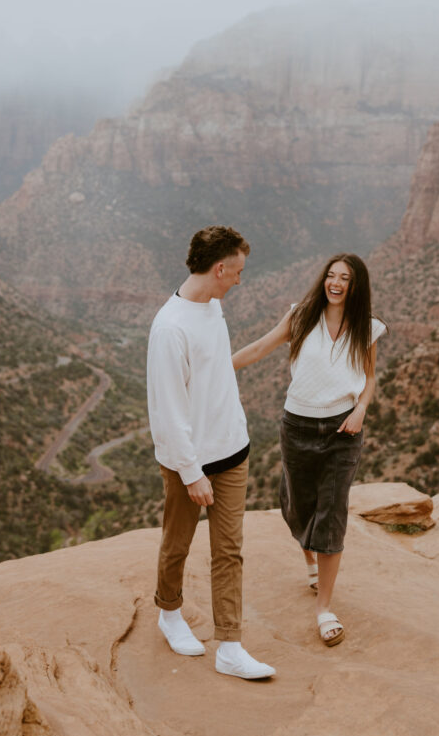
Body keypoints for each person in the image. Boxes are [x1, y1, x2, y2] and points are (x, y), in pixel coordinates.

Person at [232, 253, 386, 647]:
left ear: (356, 286)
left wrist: (361, 409)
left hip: (343, 431)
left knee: (331, 511)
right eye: (331, 276)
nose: (336, 283)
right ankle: (309, 557)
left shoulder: (365, 328)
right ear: (323, 280)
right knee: (297, 505)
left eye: (345, 279)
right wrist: (215, 366)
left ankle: (324, 608)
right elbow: (261, 347)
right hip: (296, 426)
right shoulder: (301, 316)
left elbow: (369, 377)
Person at [147, 225, 276, 680]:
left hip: (232, 451)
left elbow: (218, 371)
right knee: (177, 543)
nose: (240, 280)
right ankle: (169, 613)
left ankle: (230, 646)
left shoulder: (213, 306)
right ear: (219, 268)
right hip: (191, 463)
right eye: (237, 271)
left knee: (229, 551)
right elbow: (167, 411)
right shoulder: (170, 328)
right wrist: (190, 471)